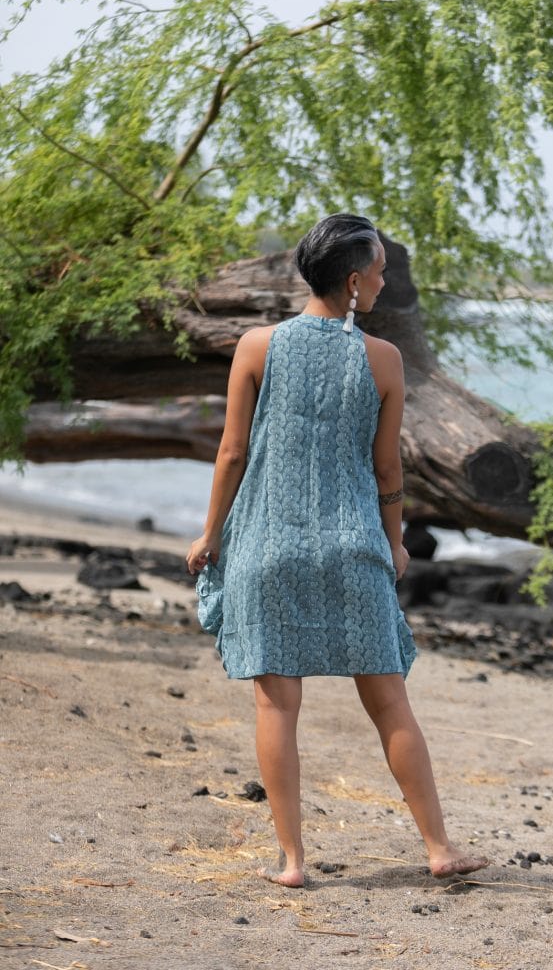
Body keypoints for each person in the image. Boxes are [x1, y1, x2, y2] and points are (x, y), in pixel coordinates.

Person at [186, 214, 490, 888]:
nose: (384, 281)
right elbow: (388, 472)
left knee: (276, 709)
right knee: (388, 705)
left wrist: (211, 535)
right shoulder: (382, 360)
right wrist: (393, 545)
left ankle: (293, 863)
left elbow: (232, 453)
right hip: (353, 547)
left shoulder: (255, 346)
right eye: (378, 270)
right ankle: (438, 848)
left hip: (269, 544)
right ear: (353, 281)